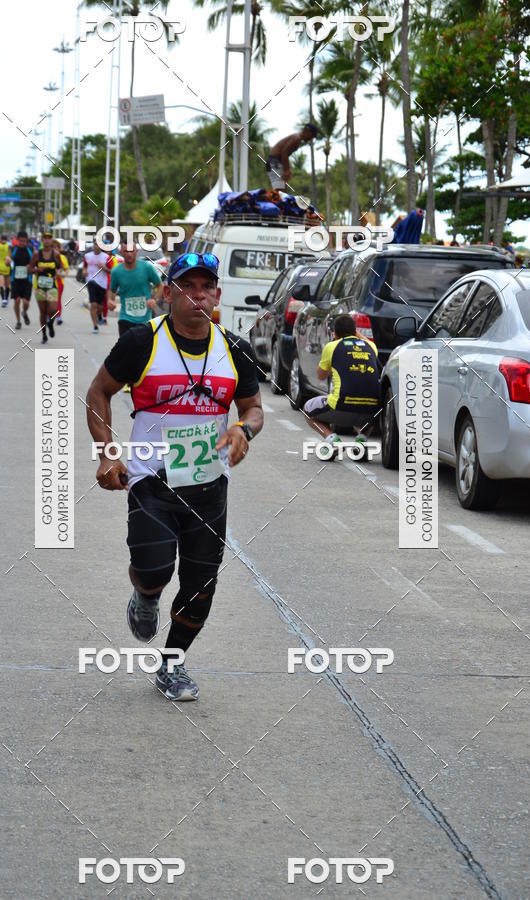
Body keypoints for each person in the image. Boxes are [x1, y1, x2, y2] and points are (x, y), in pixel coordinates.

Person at [85, 252, 263, 701]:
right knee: (154, 570)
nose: (197, 295)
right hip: (152, 480)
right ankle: (145, 596)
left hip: (208, 487)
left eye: (206, 287)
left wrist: (243, 429)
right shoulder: (143, 342)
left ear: (217, 295)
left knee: (201, 587)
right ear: (168, 293)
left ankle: (172, 664)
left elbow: (254, 409)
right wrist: (108, 455)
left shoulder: (233, 349)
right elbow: (98, 393)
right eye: (187, 286)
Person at [302, 314, 380, 460]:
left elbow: (321, 375)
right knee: (366, 401)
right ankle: (361, 440)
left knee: (307, 409)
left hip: (341, 407)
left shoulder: (332, 347)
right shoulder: (371, 346)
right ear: (355, 331)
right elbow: (362, 340)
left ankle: (331, 439)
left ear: (335, 333)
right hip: (371, 412)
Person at [107, 241, 162, 337]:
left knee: (143, 351)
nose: (129, 254)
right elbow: (112, 290)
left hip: (145, 319)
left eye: (131, 251)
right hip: (125, 318)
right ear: (121, 252)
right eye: (126, 251)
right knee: (126, 350)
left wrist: (154, 300)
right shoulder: (116, 271)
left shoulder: (147, 267)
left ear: (137, 251)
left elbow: (160, 285)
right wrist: (110, 301)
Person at [28, 232, 62, 344]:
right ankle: (44, 334)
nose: (47, 241)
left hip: (52, 286)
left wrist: (58, 273)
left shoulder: (56, 254)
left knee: (53, 310)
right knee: (42, 312)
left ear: (52, 241)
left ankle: (51, 324)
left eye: (49, 238)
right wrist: (36, 270)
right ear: (42, 240)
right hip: (40, 287)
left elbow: (61, 268)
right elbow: (29, 269)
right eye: (45, 238)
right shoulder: (37, 254)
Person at [265, 122, 318, 190]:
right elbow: (284, 152)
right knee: (279, 191)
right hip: (274, 162)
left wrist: (287, 169)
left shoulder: (297, 138)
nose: (311, 138)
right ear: (307, 131)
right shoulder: (296, 138)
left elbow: (285, 153)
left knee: (282, 190)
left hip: (275, 161)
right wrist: (286, 170)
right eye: (312, 135)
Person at [83, 241, 111, 334]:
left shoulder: (106, 257)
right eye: (95, 244)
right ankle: (95, 326)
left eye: (99, 245)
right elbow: (84, 267)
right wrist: (84, 272)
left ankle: (99, 315)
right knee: (94, 304)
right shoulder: (87, 256)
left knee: (100, 307)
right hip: (91, 281)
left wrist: (104, 267)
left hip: (102, 283)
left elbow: (111, 271)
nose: (96, 246)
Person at [7, 230, 33, 330]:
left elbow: (34, 262)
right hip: (15, 279)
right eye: (20, 241)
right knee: (17, 300)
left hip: (27, 279)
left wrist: (30, 266)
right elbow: (8, 261)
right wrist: (8, 261)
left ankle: (24, 312)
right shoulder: (13, 249)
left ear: (27, 241)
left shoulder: (30, 249)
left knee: (26, 302)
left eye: (24, 241)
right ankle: (18, 321)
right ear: (17, 240)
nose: (22, 243)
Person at [0, 233, 12, 306]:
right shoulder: (9, 246)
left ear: (0, 239)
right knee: (7, 285)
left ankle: (3, 300)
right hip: (7, 267)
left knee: (1, 285)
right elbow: (10, 257)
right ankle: (6, 299)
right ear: (7, 240)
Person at [53, 239, 68, 324]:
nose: (55, 249)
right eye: (53, 247)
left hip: (59, 282)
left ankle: (59, 317)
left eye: (56, 248)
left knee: (57, 300)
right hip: (48, 281)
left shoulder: (62, 258)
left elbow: (65, 270)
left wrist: (61, 273)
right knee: (50, 300)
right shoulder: (46, 255)